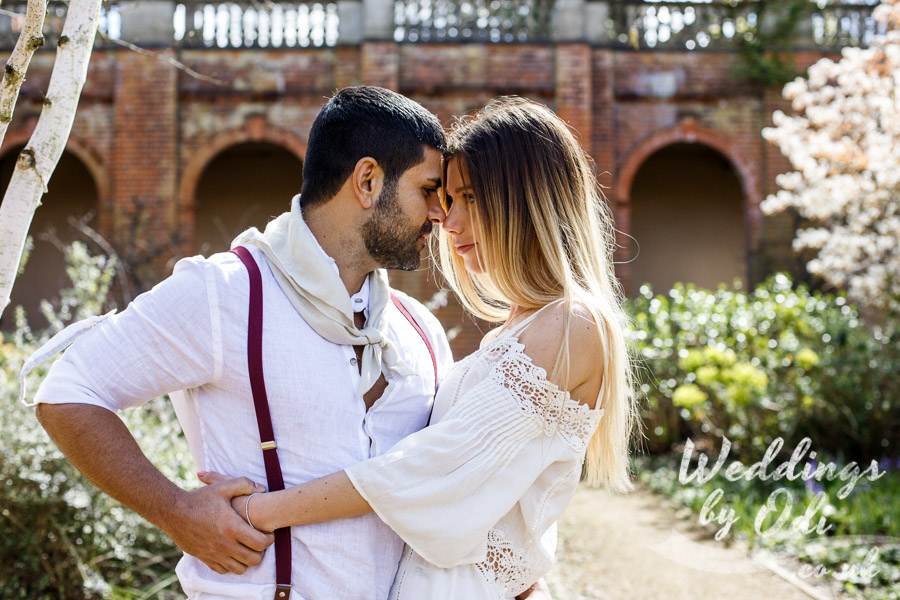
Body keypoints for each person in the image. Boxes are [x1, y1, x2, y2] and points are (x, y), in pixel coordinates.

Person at [24, 86, 456, 600]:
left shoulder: (420, 330)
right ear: (367, 181)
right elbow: (69, 392)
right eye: (428, 189)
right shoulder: (224, 293)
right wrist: (175, 510)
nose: (439, 213)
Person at [199, 97, 640, 600]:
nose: (448, 223)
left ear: (527, 199)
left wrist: (259, 511)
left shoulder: (573, 326)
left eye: (469, 197)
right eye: (447, 199)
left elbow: (432, 470)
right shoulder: (515, 332)